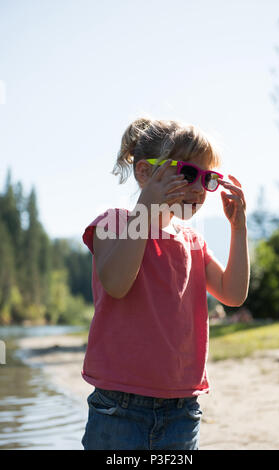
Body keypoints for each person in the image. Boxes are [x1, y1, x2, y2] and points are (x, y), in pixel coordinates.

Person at [81, 117, 250, 450]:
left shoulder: (192, 241)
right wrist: (146, 206)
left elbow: (233, 294)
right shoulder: (114, 223)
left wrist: (239, 228)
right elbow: (116, 283)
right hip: (119, 409)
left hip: (181, 411)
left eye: (208, 178)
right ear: (145, 173)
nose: (199, 188)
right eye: (188, 173)